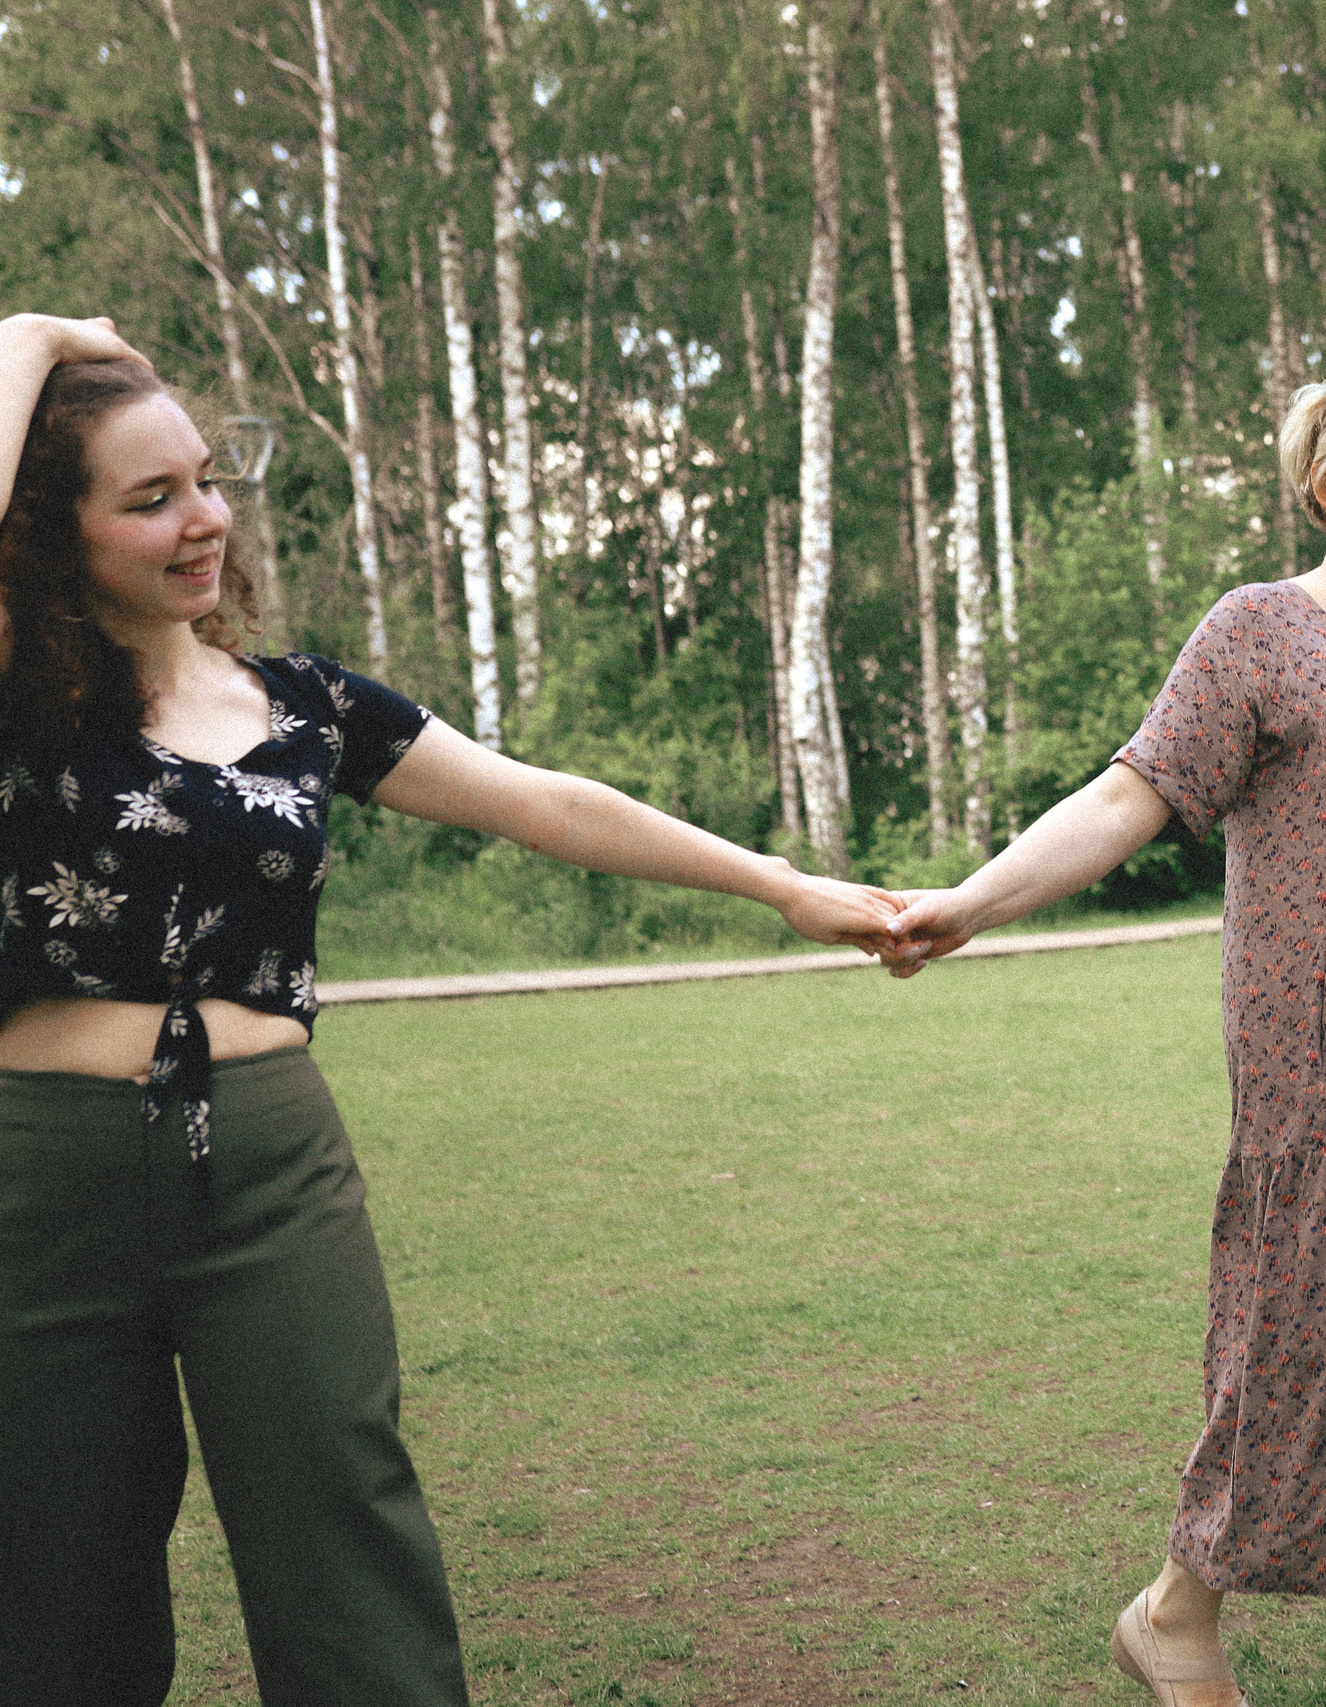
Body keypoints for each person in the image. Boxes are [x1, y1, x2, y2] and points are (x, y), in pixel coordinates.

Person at [0, 317, 898, 1707]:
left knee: (345, 1538)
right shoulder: (20, 700)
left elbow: (541, 798)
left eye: (209, 480)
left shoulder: (298, 703)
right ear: (53, 537)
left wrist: (782, 884)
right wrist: (34, 336)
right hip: (38, 1172)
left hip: (270, 1166)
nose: (207, 521)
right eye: (152, 497)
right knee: (55, 1584)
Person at [885, 363, 1326, 1707]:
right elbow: (1131, 793)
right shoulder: (1259, 630)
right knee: (1296, 1337)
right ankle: (1176, 1612)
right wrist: (970, 901)